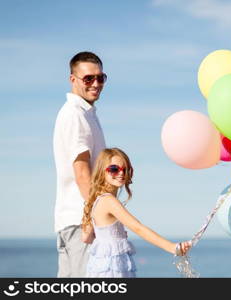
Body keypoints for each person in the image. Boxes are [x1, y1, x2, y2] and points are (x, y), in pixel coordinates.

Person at [81, 148, 191, 277]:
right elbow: (137, 228)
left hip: (100, 267)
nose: (121, 173)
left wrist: (113, 235)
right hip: (113, 269)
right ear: (102, 171)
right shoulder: (109, 201)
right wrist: (172, 247)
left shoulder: (96, 201)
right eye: (114, 169)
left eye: (126, 169)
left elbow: (86, 237)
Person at [53, 51, 107, 277]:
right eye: (88, 78)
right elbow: (82, 173)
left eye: (100, 78)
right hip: (83, 223)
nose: (95, 84)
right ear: (73, 79)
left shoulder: (84, 114)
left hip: (72, 220)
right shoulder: (76, 115)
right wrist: (98, 216)